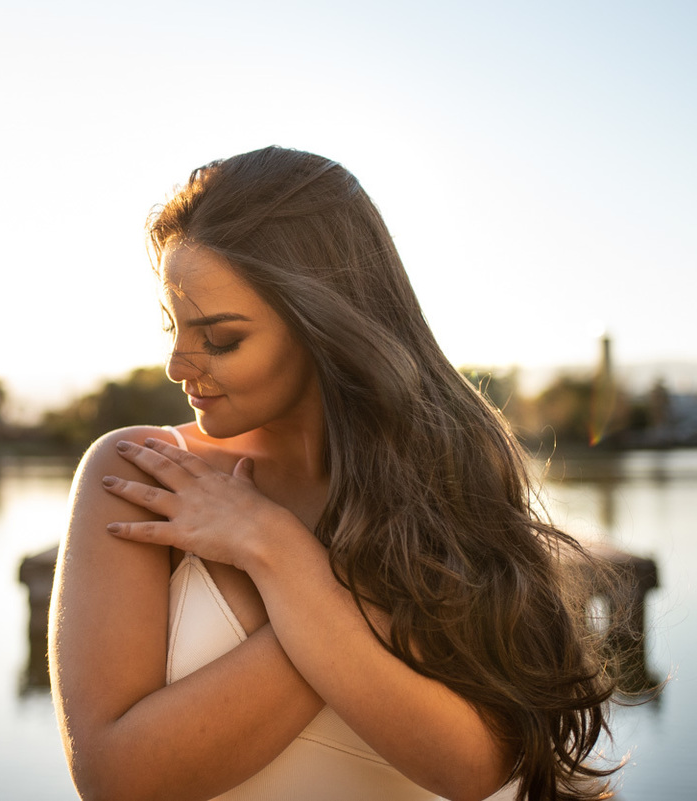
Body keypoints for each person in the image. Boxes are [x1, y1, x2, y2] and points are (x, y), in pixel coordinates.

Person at [48, 147, 618, 801]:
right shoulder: (141, 475)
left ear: (322, 324)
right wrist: (364, 600)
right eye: (172, 326)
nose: (178, 365)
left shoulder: (445, 484)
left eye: (220, 338)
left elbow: (475, 770)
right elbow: (115, 780)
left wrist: (275, 549)